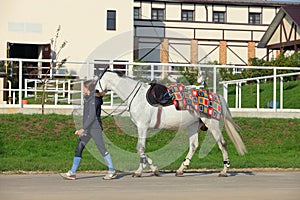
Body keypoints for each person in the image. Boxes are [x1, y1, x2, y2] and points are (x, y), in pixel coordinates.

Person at [60, 80, 116, 180]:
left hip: (95, 128)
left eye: (83, 87)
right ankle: (72, 172)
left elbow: (91, 116)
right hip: (88, 128)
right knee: (79, 147)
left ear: (87, 88)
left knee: (101, 148)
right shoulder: (89, 98)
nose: (82, 89)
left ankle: (112, 170)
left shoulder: (94, 99)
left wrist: (83, 129)